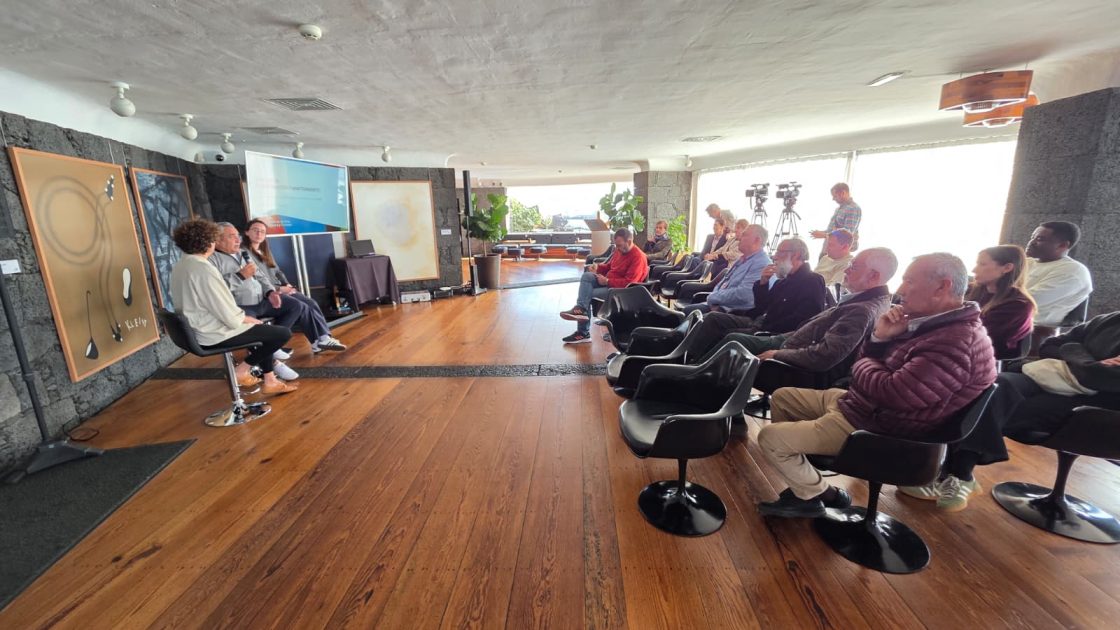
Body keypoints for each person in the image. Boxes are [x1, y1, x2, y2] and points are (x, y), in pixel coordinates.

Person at [756, 253, 997, 518]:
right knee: (784, 397)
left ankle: (819, 494)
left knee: (771, 438)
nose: (900, 289)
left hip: (882, 428)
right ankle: (805, 481)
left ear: (943, 287)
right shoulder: (933, 324)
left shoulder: (955, 342)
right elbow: (877, 374)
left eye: (909, 281)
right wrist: (880, 339)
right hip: (864, 405)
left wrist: (865, 364)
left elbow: (892, 393)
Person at [900, 310, 1120, 512]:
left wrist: (1078, 356)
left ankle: (959, 474)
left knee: (1001, 409)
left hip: (1098, 409)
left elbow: (1101, 379)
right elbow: (1050, 344)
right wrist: (1085, 359)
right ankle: (950, 475)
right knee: (990, 387)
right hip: (1053, 379)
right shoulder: (1108, 319)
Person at [702, 248, 897, 388]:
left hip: (796, 363)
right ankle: (700, 375)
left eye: (853, 266)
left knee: (734, 342)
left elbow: (825, 355)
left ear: (873, 276)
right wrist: (762, 284)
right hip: (788, 339)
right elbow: (764, 307)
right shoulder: (870, 301)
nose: (846, 270)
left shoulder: (860, 309)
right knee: (722, 328)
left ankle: (701, 381)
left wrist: (778, 354)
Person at [169, 219, 296, 395]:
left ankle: (270, 380)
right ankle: (242, 371)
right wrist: (244, 318)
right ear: (209, 242)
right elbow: (223, 308)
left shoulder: (181, 265)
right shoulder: (203, 268)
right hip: (212, 332)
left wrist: (244, 317)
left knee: (264, 331)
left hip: (198, 328)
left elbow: (213, 303)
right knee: (281, 333)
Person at [209, 224, 338, 374]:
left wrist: (270, 292)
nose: (238, 240)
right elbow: (216, 289)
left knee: (297, 305)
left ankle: (274, 345)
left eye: (238, 236)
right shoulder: (213, 260)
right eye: (232, 236)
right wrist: (240, 276)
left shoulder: (243, 253)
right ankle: (270, 363)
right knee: (254, 329)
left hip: (262, 300)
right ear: (218, 240)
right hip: (240, 307)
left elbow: (261, 276)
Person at [685, 238, 826, 356]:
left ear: (796, 255)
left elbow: (805, 320)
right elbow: (761, 307)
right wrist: (763, 283)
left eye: (780, 252)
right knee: (713, 319)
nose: (775, 256)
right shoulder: (784, 281)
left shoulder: (812, 280)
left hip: (777, 332)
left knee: (731, 337)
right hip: (758, 321)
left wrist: (764, 327)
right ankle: (686, 357)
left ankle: (698, 370)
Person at [241, 219, 347, 355]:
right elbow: (256, 279)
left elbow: (278, 271)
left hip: (280, 288)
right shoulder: (244, 253)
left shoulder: (264, 250)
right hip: (267, 292)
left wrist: (287, 284)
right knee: (302, 306)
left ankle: (323, 338)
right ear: (246, 232)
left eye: (262, 231)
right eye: (255, 230)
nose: (259, 234)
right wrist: (279, 289)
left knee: (310, 302)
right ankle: (317, 342)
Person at [559, 228, 648, 344]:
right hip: (609, 283)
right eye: (616, 245)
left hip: (623, 291)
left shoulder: (638, 257)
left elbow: (629, 283)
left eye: (619, 245)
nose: (617, 248)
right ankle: (581, 309)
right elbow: (610, 266)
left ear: (629, 241)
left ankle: (583, 332)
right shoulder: (619, 251)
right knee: (587, 276)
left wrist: (607, 281)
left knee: (588, 294)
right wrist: (597, 267)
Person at [681, 224, 770, 315]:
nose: (739, 238)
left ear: (757, 240)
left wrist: (713, 298)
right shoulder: (743, 259)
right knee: (687, 311)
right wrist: (714, 299)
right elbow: (723, 283)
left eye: (744, 235)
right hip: (720, 305)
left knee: (688, 313)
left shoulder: (761, 264)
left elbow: (744, 295)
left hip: (733, 312)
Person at [965, 245, 1035, 360]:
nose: (974, 270)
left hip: (983, 358)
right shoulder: (971, 290)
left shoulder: (1018, 305)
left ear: (1007, 268)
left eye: (982, 264)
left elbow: (978, 337)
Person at [1024, 221, 1092, 331]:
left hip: (1033, 331)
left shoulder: (1072, 270)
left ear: (1063, 245)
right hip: (1007, 321)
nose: (1031, 242)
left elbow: (1027, 300)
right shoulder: (1028, 262)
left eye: (1039, 239)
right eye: (1032, 237)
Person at [810, 183, 861, 255]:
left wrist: (824, 235)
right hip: (830, 247)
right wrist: (822, 232)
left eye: (835, 196)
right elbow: (833, 230)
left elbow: (847, 234)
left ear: (843, 193)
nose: (833, 199)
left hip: (839, 251)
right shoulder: (839, 208)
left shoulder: (853, 209)